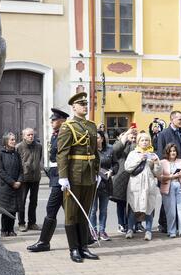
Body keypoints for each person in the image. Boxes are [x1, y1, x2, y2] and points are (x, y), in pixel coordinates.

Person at [57, 92, 100, 263]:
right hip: (74, 174)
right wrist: (63, 176)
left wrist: (97, 172)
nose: (84, 106)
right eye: (81, 104)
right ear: (73, 107)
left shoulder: (91, 126)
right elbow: (62, 153)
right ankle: (73, 249)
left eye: (85, 104)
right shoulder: (68, 127)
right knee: (71, 213)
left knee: (85, 212)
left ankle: (84, 247)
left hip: (89, 174)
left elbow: (95, 152)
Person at [27, 108, 69, 252]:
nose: (51, 122)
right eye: (51, 120)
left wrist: (63, 176)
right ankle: (86, 236)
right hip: (56, 176)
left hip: (62, 177)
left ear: (62, 121)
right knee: (68, 209)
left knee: (52, 208)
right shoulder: (55, 135)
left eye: (54, 120)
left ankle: (44, 242)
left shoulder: (65, 134)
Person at [155, 111, 181, 234]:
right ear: (172, 119)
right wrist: (163, 172)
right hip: (168, 172)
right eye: (179, 119)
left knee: (180, 201)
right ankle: (163, 224)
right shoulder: (164, 134)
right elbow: (161, 153)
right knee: (167, 200)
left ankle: (179, 226)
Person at [125, 131, 162, 241]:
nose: (145, 142)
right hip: (135, 184)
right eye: (142, 140)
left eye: (147, 140)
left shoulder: (153, 154)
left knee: (149, 207)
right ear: (138, 142)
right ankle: (130, 229)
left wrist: (156, 164)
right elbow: (127, 168)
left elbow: (158, 173)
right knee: (133, 206)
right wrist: (139, 159)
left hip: (149, 184)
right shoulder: (133, 154)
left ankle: (148, 230)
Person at [160, 143, 181, 238]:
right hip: (168, 187)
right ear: (167, 152)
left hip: (180, 185)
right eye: (171, 151)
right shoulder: (162, 162)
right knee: (171, 211)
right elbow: (159, 177)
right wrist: (171, 176)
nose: (173, 152)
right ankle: (171, 231)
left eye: (174, 151)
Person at [90, 130, 117, 241]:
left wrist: (111, 171)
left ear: (102, 139)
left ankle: (102, 231)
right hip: (93, 184)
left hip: (105, 184)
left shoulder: (110, 150)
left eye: (98, 137)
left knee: (104, 209)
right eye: (94, 138)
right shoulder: (90, 151)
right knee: (92, 210)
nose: (96, 140)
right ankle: (93, 231)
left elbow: (116, 164)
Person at [110, 126, 138, 233]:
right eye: (130, 134)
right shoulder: (120, 145)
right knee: (121, 203)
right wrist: (126, 137)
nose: (132, 136)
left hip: (134, 177)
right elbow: (115, 150)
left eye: (134, 135)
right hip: (121, 177)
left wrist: (135, 140)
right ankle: (121, 224)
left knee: (133, 203)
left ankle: (131, 224)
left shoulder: (135, 145)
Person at [15, 127, 42, 232]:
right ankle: (21, 223)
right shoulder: (19, 147)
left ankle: (32, 223)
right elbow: (16, 163)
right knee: (21, 202)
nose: (31, 136)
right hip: (24, 178)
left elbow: (39, 159)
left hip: (35, 178)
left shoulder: (39, 146)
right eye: (28, 135)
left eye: (32, 135)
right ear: (23, 136)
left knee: (33, 202)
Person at [0, 132, 22, 237]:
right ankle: (4, 230)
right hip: (5, 186)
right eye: (11, 139)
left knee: (13, 209)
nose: (14, 141)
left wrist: (19, 181)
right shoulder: (0, 154)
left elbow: (21, 169)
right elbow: (0, 170)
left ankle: (11, 229)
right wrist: (12, 182)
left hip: (16, 186)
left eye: (14, 139)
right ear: (6, 141)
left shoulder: (16, 154)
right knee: (5, 210)